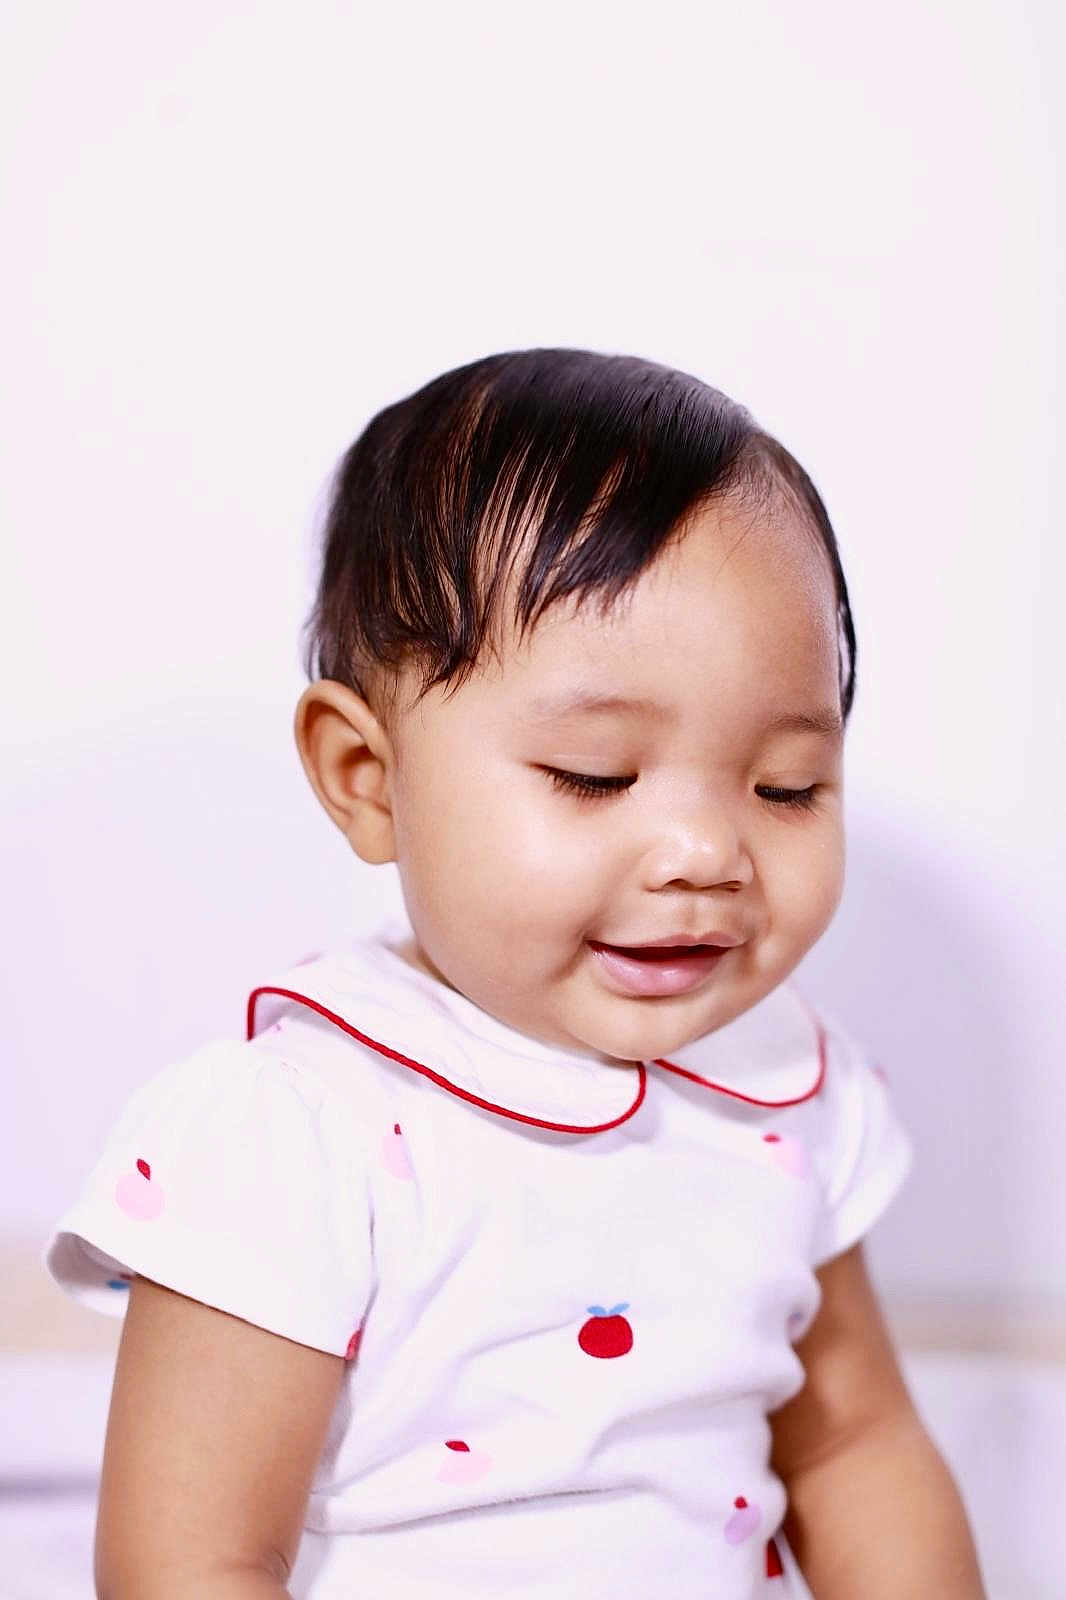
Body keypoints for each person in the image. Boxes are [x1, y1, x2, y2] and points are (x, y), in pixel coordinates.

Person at [43, 348, 986, 1598]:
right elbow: (192, 1557)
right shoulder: (295, 1129)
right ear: (368, 778)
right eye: (596, 774)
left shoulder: (788, 1087)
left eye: (786, 787)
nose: (709, 851)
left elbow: (856, 1444)